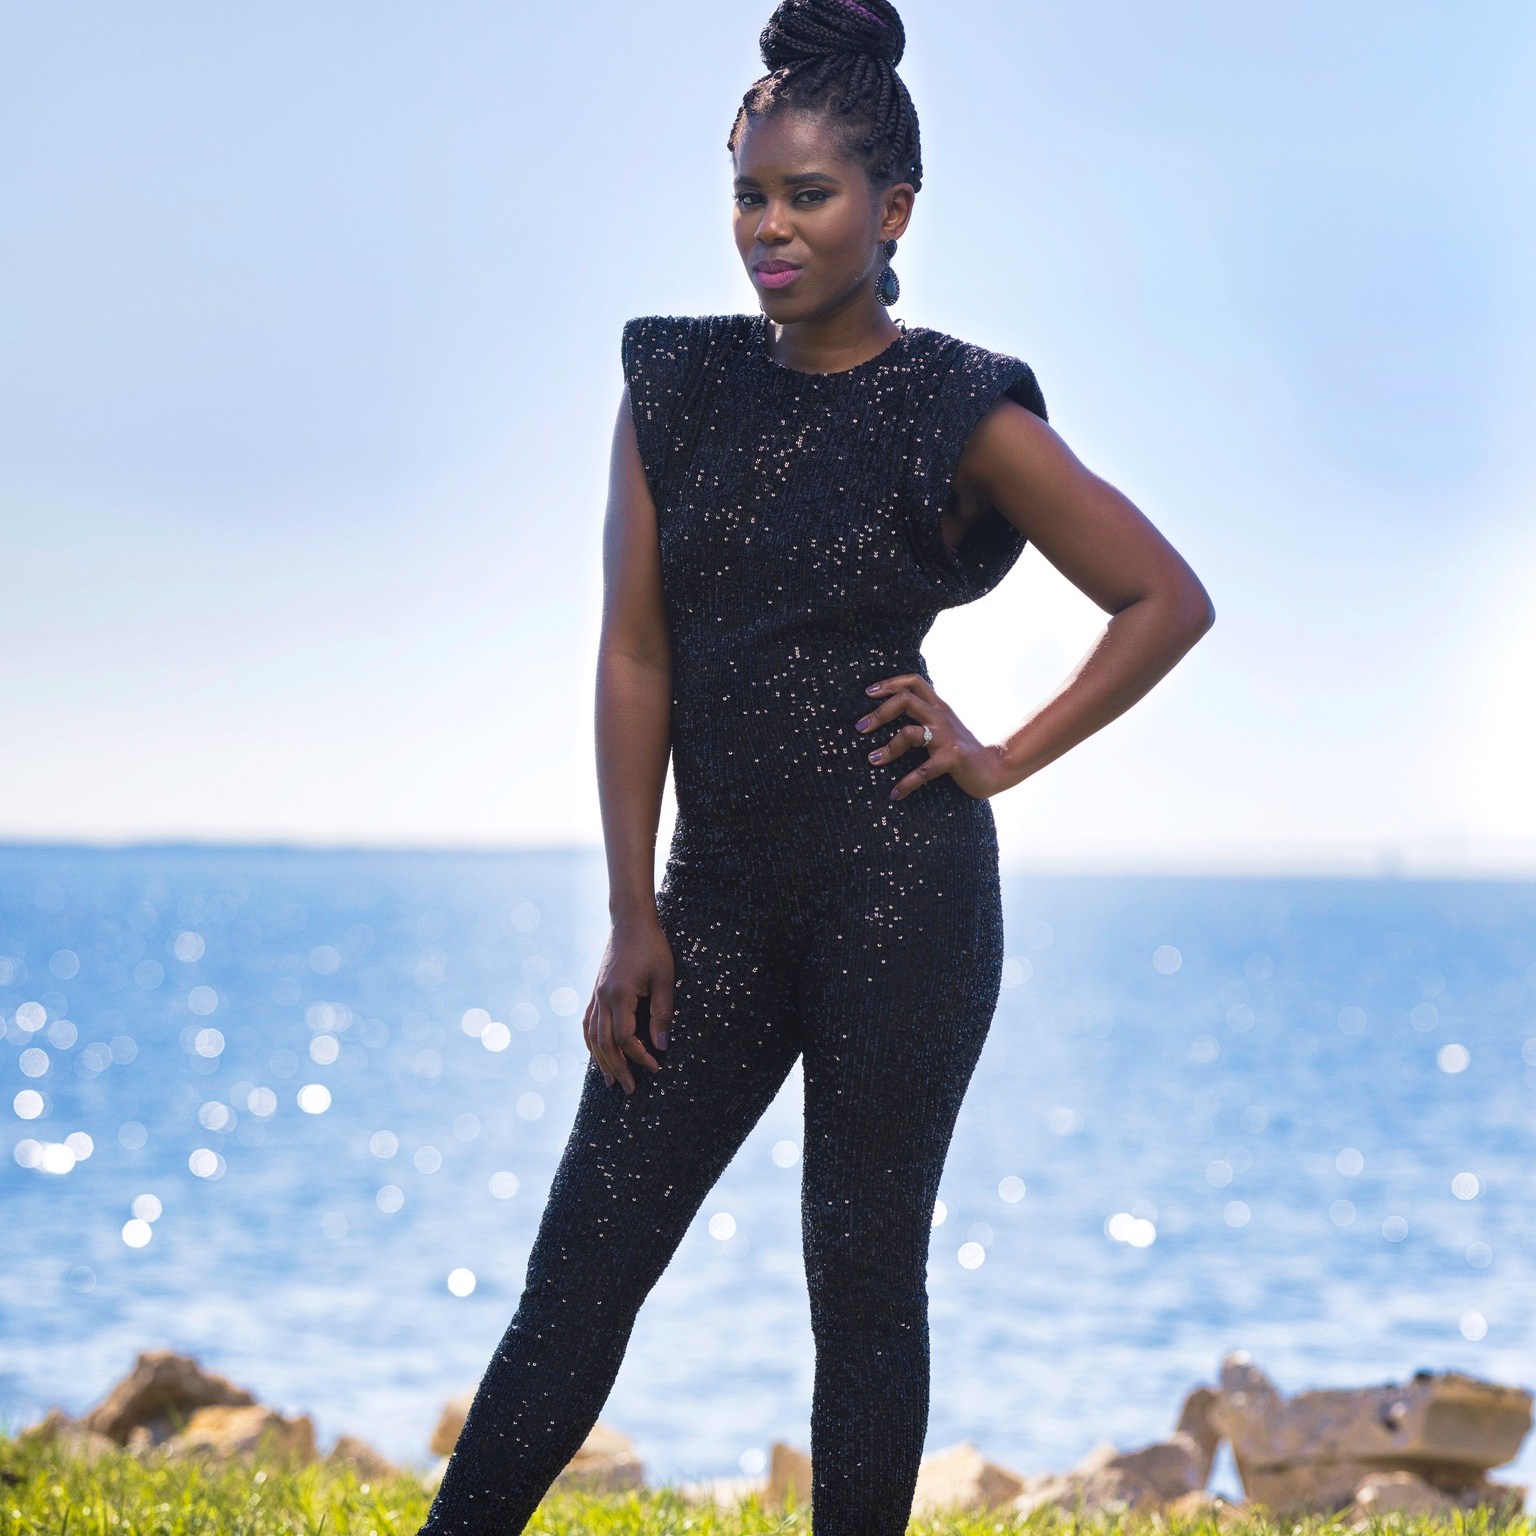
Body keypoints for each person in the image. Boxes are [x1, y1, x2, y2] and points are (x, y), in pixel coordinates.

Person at [416, 0, 1213, 1531]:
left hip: (900, 898)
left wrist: (999, 755)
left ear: (891, 210)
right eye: (748, 196)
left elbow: (1162, 598)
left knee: (861, 1283)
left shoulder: (958, 402)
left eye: (808, 195)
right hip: (711, 902)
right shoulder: (676, 385)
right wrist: (632, 914)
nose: (769, 229)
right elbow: (635, 653)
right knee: (581, 1272)